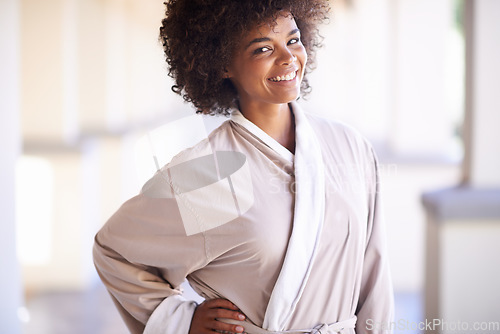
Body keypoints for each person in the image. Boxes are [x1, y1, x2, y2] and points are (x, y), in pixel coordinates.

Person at [93, 1, 394, 333]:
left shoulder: (350, 148)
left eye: (293, 40)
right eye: (263, 48)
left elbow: (375, 276)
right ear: (222, 64)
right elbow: (114, 250)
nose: (288, 58)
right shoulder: (208, 173)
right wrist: (182, 321)